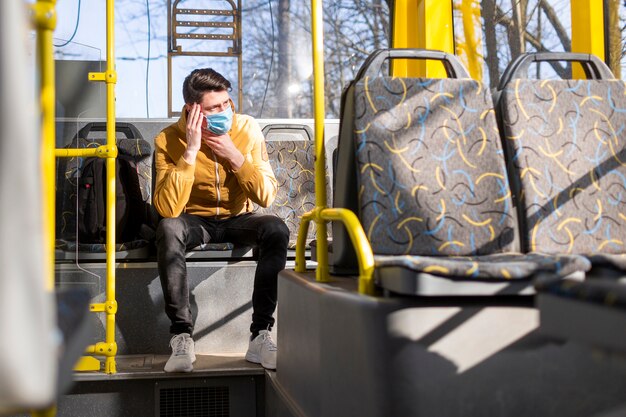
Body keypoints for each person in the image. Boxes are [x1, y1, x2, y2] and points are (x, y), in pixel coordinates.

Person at [153, 68, 289, 372]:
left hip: (237, 218)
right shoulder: (166, 140)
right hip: (194, 221)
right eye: (214, 108)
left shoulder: (247, 129)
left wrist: (235, 157)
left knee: (276, 229)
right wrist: (190, 151)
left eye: (226, 103)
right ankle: (182, 336)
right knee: (168, 228)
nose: (224, 111)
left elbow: (266, 196)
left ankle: (260, 334)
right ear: (193, 110)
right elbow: (166, 207)